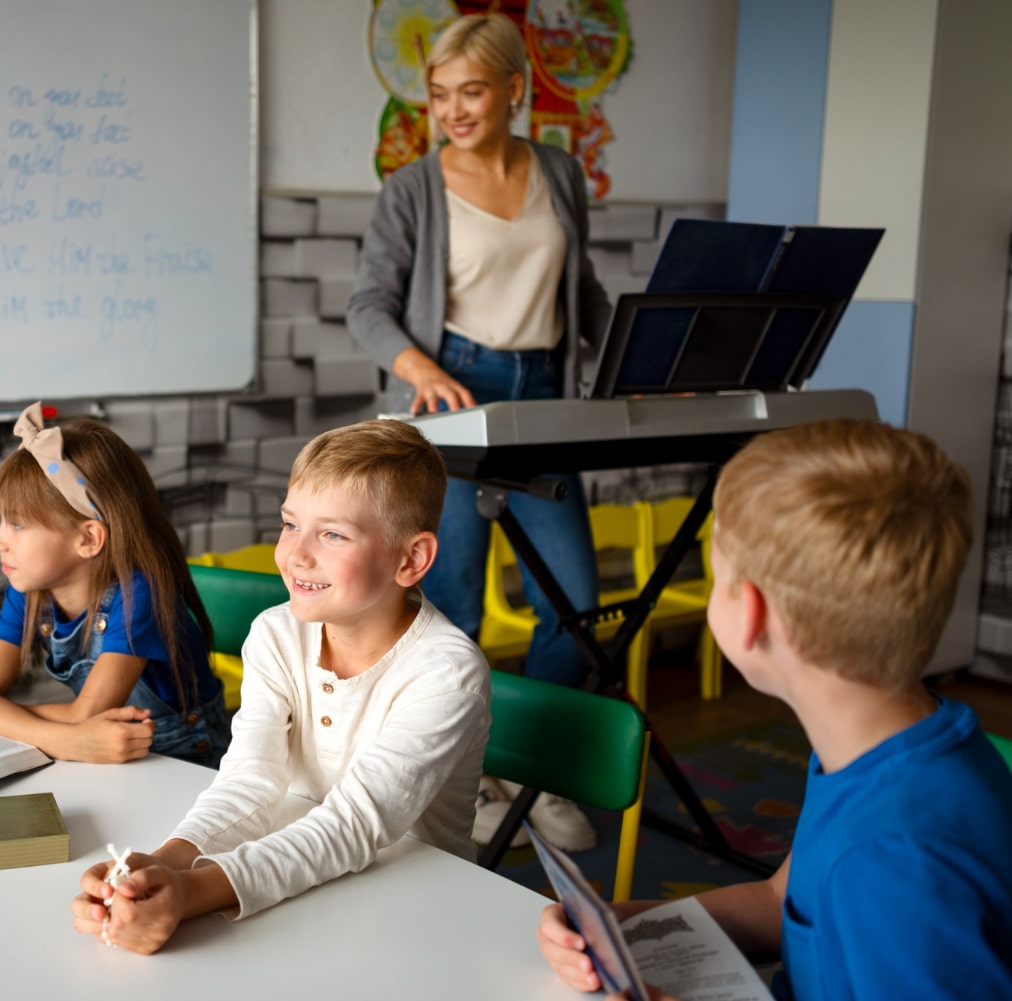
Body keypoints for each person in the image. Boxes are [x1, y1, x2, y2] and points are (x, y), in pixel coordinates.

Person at [538, 419, 1012, 1000]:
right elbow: (780, 903)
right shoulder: (878, 746)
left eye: (718, 578)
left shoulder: (896, 864)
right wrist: (621, 927)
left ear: (752, 615)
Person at [68, 419, 490, 954]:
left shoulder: (445, 673)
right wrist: (159, 865)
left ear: (411, 560)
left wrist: (193, 891)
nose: (296, 554)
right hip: (306, 886)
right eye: (291, 524)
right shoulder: (276, 632)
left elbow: (352, 826)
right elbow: (250, 781)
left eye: (332, 534)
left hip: (418, 913)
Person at [347, 13, 609, 850]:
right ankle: (473, 776)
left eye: (471, 92)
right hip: (448, 396)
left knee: (575, 607)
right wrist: (420, 369)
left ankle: (539, 772)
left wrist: (631, 357)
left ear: (513, 91)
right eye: (438, 95)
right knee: (450, 605)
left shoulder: (560, 173)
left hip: (545, 394)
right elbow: (369, 306)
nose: (453, 110)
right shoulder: (412, 189)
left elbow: (583, 291)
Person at [0, 402, 229, 768]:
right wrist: (71, 740)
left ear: (88, 538)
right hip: (113, 761)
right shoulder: (28, 591)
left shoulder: (140, 594)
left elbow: (84, 715)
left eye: (16, 524)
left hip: (187, 765)